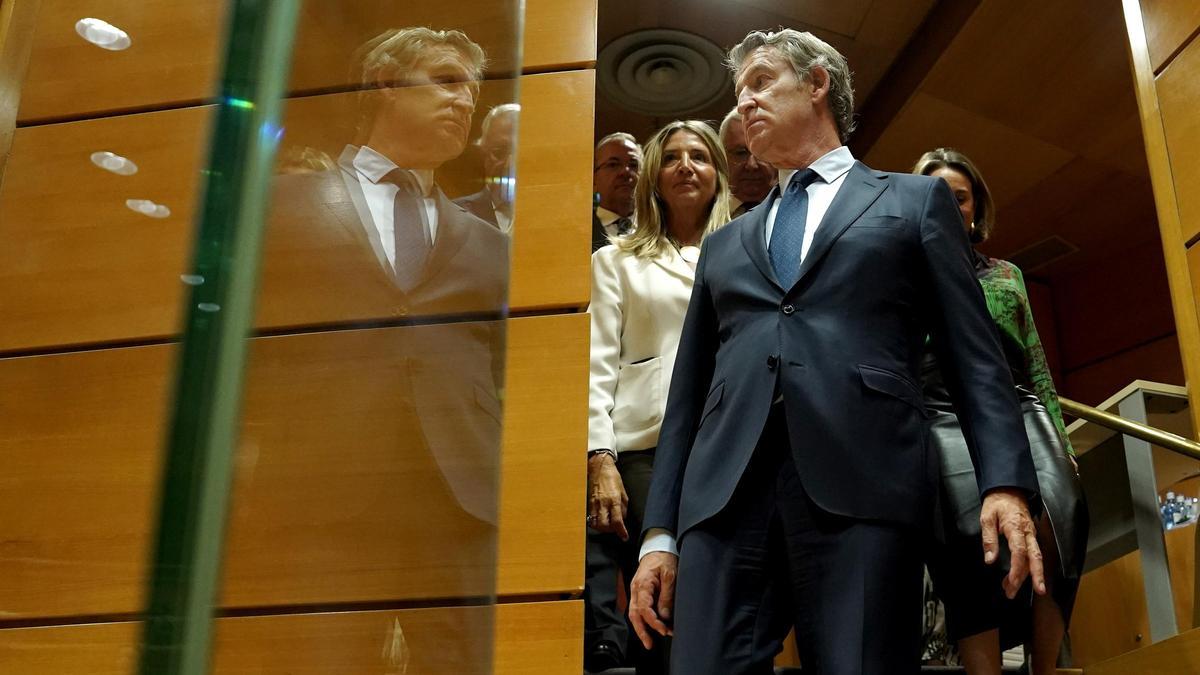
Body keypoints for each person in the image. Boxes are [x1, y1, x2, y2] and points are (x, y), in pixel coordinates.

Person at [628, 29, 1046, 675]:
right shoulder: (725, 243)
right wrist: (659, 533)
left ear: (818, 83)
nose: (745, 105)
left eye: (761, 83)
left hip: (865, 480)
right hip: (721, 497)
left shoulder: (913, 201)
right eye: (739, 95)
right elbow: (688, 394)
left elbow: (975, 356)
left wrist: (1005, 482)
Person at [260, 28, 508, 671]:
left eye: (473, 92)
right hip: (323, 485)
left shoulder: (486, 242)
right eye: (446, 81)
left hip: (459, 493)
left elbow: (508, 366)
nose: (466, 103)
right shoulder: (282, 205)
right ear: (383, 84)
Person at [914, 148, 1088, 675]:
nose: (949, 204)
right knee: (972, 546)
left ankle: (1045, 668)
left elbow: (1035, 358)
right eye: (936, 195)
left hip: (1020, 402)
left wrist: (1063, 437)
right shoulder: (905, 275)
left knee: (1065, 520)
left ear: (975, 207)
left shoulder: (1007, 273)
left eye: (960, 196)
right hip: (941, 408)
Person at [586, 120, 732, 673]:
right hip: (648, 451)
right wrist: (600, 457)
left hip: (730, 448)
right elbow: (597, 365)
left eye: (700, 155)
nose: (686, 165)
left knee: (726, 609)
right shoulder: (615, 261)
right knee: (666, 607)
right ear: (653, 175)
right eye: (672, 157)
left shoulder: (749, 251)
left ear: (717, 173)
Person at [455, 103, 519, 233]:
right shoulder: (453, 216)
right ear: (483, 153)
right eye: (499, 152)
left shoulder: (555, 216)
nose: (509, 165)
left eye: (521, 154)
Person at [719, 107, 776, 217]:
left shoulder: (797, 207)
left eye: (761, 151)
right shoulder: (702, 214)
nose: (752, 165)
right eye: (740, 153)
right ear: (722, 157)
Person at [592, 132, 643, 251]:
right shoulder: (579, 229)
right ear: (594, 179)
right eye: (613, 164)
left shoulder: (662, 228)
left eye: (633, 164)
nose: (625, 172)